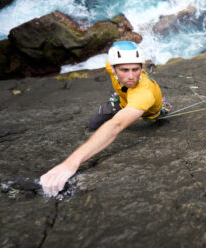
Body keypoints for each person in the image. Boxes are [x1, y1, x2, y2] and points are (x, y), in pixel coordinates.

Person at [40, 41, 164, 197]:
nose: (131, 76)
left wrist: (71, 163)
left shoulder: (144, 93)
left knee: (105, 121)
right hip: (123, 100)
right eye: (124, 70)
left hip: (140, 109)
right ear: (113, 68)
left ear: (141, 68)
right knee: (93, 123)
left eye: (136, 69)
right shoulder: (111, 66)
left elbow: (116, 125)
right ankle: (117, 103)